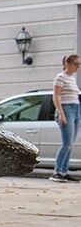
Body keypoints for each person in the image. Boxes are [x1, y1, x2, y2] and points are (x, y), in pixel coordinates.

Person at [50, 54, 81, 182]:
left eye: (79, 64)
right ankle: (57, 172)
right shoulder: (60, 77)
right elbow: (56, 96)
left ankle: (64, 171)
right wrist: (61, 113)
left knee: (70, 144)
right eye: (76, 64)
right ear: (67, 64)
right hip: (66, 109)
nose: (78, 67)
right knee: (66, 143)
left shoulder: (72, 78)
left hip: (76, 109)